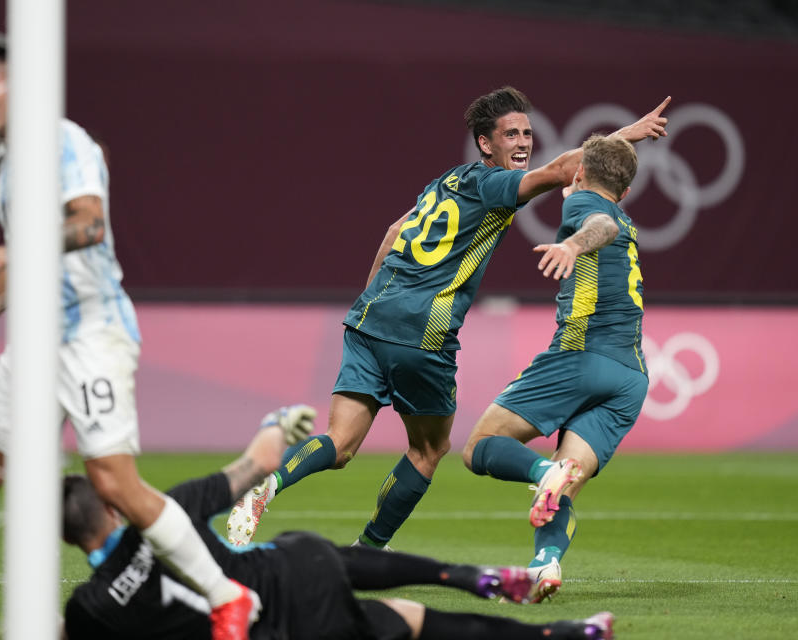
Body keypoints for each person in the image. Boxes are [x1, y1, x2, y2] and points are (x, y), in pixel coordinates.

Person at [0, 39, 258, 640]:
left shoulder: (65, 142)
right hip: (33, 346)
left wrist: (6, 252)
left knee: (113, 483)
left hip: (91, 335)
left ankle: (230, 598)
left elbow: (88, 224)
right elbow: (23, 262)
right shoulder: (0, 166)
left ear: (23, 87)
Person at [227, 87, 670, 550]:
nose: (522, 143)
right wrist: (628, 137)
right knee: (430, 449)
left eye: (527, 133)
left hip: (369, 320)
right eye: (510, 135)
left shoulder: (445, 182)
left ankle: (268, 484)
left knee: (338, 443)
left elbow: (394, 231)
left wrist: (371, 300)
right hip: (423, 333)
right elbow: (570, 171)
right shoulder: (495, 186)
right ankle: (368, 551)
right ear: (485, 144)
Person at [62, 404, 615, 640]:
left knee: (406, 624)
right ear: (113, 504)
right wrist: (278, 421)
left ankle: (516, 607)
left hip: (282, 628)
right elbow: (259, 460)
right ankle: (531, 614)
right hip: (295, 571)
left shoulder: (89, 607)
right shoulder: (165, 513)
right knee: (395, 602)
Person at [461, 133, 652, 604]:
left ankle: (544, 471)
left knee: (480, 448)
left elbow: (597, 225)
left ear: (580, 173)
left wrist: (572, 246)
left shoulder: (584, 202)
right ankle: (545, 564)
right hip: (630, 378)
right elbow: (606, 199)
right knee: (564, 482)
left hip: (581, 356)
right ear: (627, 192)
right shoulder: (622, 213)